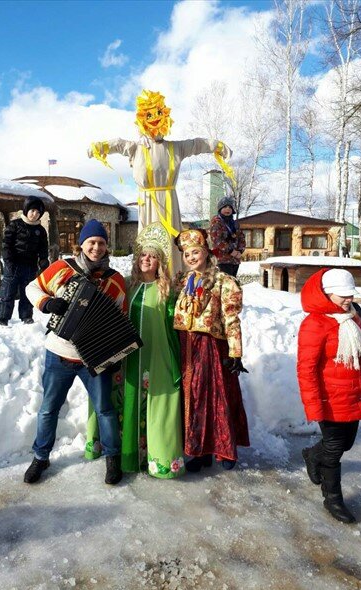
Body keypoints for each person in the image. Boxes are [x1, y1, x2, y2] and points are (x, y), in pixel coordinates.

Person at [24, 219, 126, 485]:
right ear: (81, 244)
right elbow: (31, 287)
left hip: (93, 358)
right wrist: (47, 303)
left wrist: (115, 355)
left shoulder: (114, 281)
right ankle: (41, 457)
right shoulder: (63, 268)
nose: (96, 247)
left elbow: (121, 320)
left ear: (106, 246)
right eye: (91, 242)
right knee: (48, 409)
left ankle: (112, 458)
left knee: (105, 410)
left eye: (101, 243)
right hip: (58, 353)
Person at [88, 89, 233, 275]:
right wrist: (100, 147)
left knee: (170, 243)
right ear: (143, 118)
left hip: (169, 203)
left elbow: (197, 144)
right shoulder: (136, 148)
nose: (154, 119)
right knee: (148, 243)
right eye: (149, 115)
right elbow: (118, 143)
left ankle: (173, 279)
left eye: (158, 114)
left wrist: (217, 146)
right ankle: (147, 279)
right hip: (147, 203)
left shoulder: (175, 148)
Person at [173, 229, 249, 472]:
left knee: (214, 396)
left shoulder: (223, 281)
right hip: (186, 345)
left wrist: (235, 352)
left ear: (206, 252)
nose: (191, 258)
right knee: (192, 398)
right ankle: (199, 450)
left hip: (210, 347)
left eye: (195, 252)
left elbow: (231, 318)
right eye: (187, 254)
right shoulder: (183, 281)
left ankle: (223, 447)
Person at [297, 268, 361, 524]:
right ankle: (333, 499)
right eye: (343, 295)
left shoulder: (354, 315)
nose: (349, 299)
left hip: (354, 393)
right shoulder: (314, 324)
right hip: (330, 399)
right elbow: (306, 369)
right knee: (335, 450)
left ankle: (312, 455)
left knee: (346, 444)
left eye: (350, 294)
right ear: (327, 294)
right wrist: (314, 406)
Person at [121, 222, 184, 479]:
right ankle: (131, 457)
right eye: (143, 255)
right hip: (131, 356)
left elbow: (175, 325)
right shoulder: (128, 286)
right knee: (130, 400)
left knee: (160, 403)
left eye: (152, 256)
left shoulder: (166, 289)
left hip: (159, 354)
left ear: (160, 262)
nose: (146, 260)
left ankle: (161, 460)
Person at [0, 196, 49, 326]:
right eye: (32, 211)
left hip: (30, 266)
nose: (35, 214)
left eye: (38, 212)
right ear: (26, 210)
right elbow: (6, 243)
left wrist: (43, 259)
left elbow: (43, 247)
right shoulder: (15, 225)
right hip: (13, 264)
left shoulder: (40, 230)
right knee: (8, 291)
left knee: (27, 292)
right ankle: (3, 317)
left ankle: (26, 316)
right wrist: (8, 259)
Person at [210, 196, 246, 277]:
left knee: (233, 282)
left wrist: (240, 251)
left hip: (235, 260)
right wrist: (231, 251)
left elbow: (241, 238)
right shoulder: (216, 222)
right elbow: (217, 240)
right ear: (220, 209)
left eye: (230, 207)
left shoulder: (234, 223)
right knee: (225, 283)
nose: (228, 209)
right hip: (222, 260)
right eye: (225, 207)